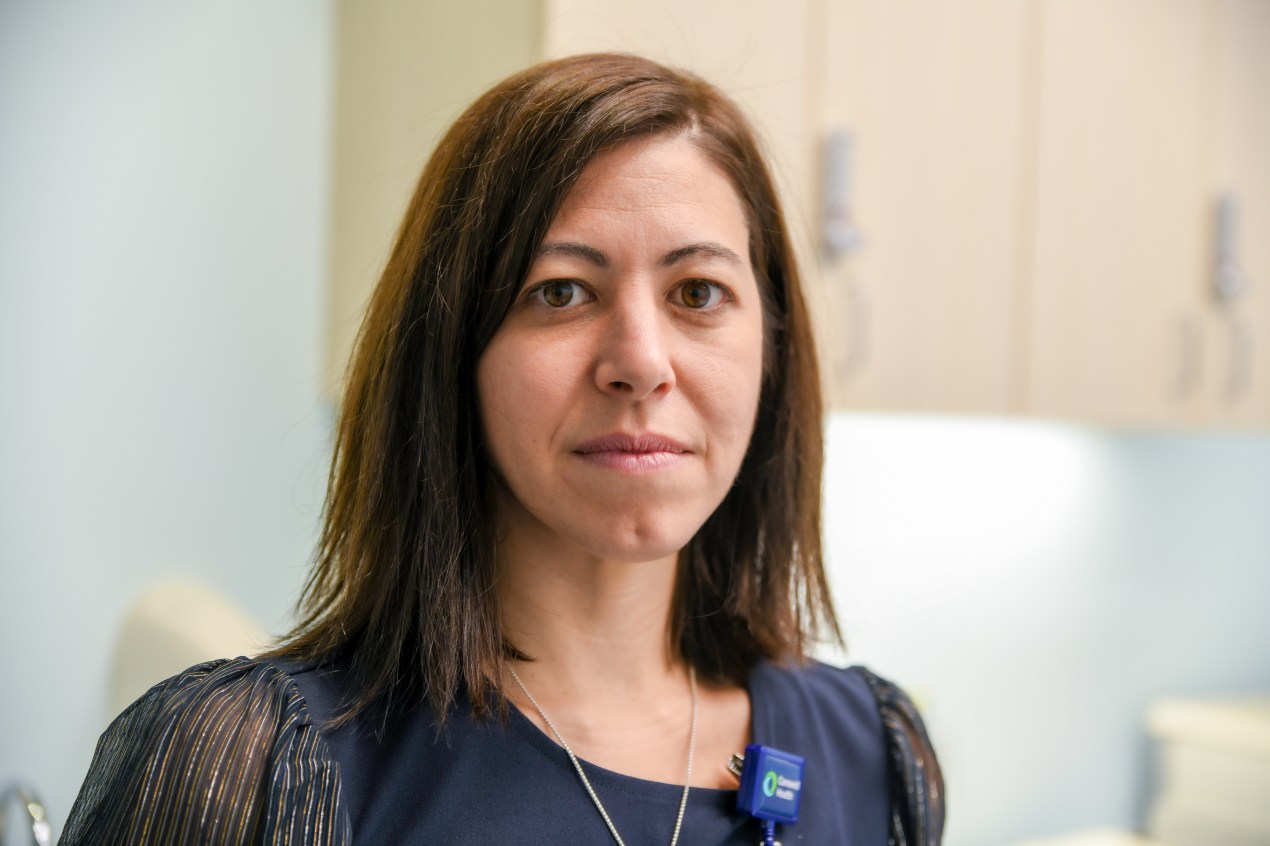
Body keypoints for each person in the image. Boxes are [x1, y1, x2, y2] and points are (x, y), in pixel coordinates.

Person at [62, 52, 943, 845]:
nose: (641, 362)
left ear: (773, 347)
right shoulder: (251, 765)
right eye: (560, 291)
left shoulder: (874, 755)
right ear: (451, 356)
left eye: (698, 292)